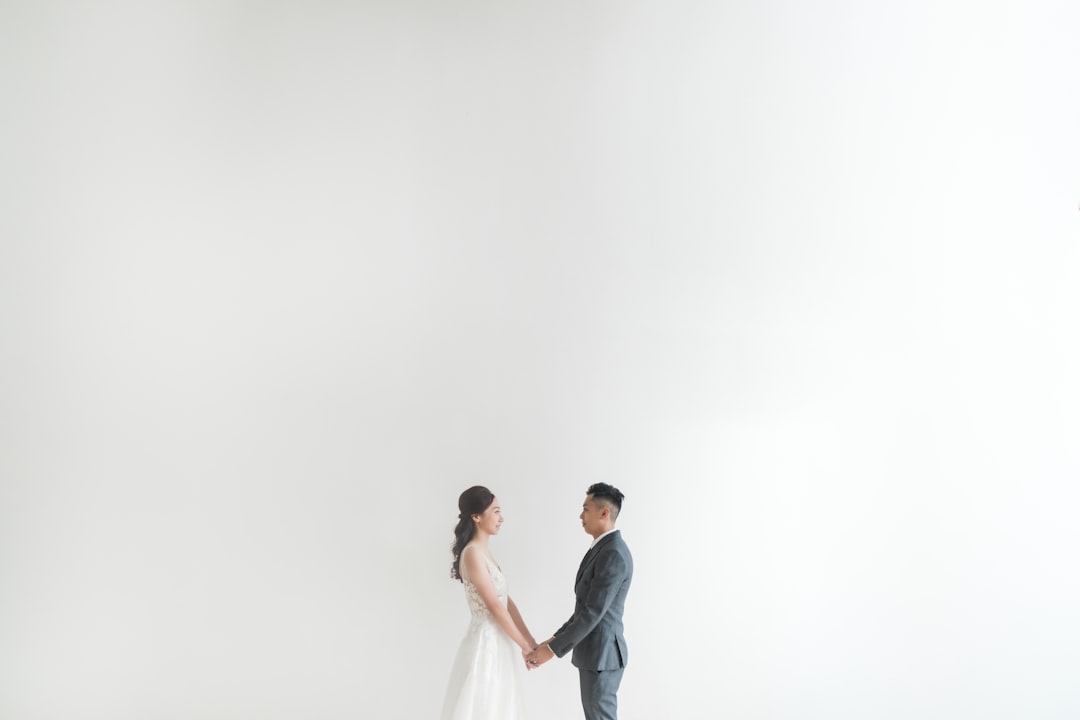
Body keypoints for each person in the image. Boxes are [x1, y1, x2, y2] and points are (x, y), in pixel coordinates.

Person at [526, 483, 633, 720]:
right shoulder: (602, 548)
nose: (580, 515)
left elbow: (592, 613)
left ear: (604, 513)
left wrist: (552, 650)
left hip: (602, 657)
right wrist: (553, 640)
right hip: (596, 655)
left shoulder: (612, 553)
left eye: (586, 509)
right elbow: (585, 608)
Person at [440, 486, 537, 720]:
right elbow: (494, 606)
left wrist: (530, 641)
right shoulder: (472, 553)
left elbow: (506, 600)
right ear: (476, 516)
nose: (501, 518)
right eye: (495, 511)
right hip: (486, 642)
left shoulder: (485, 551)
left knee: (502, 704)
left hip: (499, 639)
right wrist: (524, 646)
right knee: (486, 705)